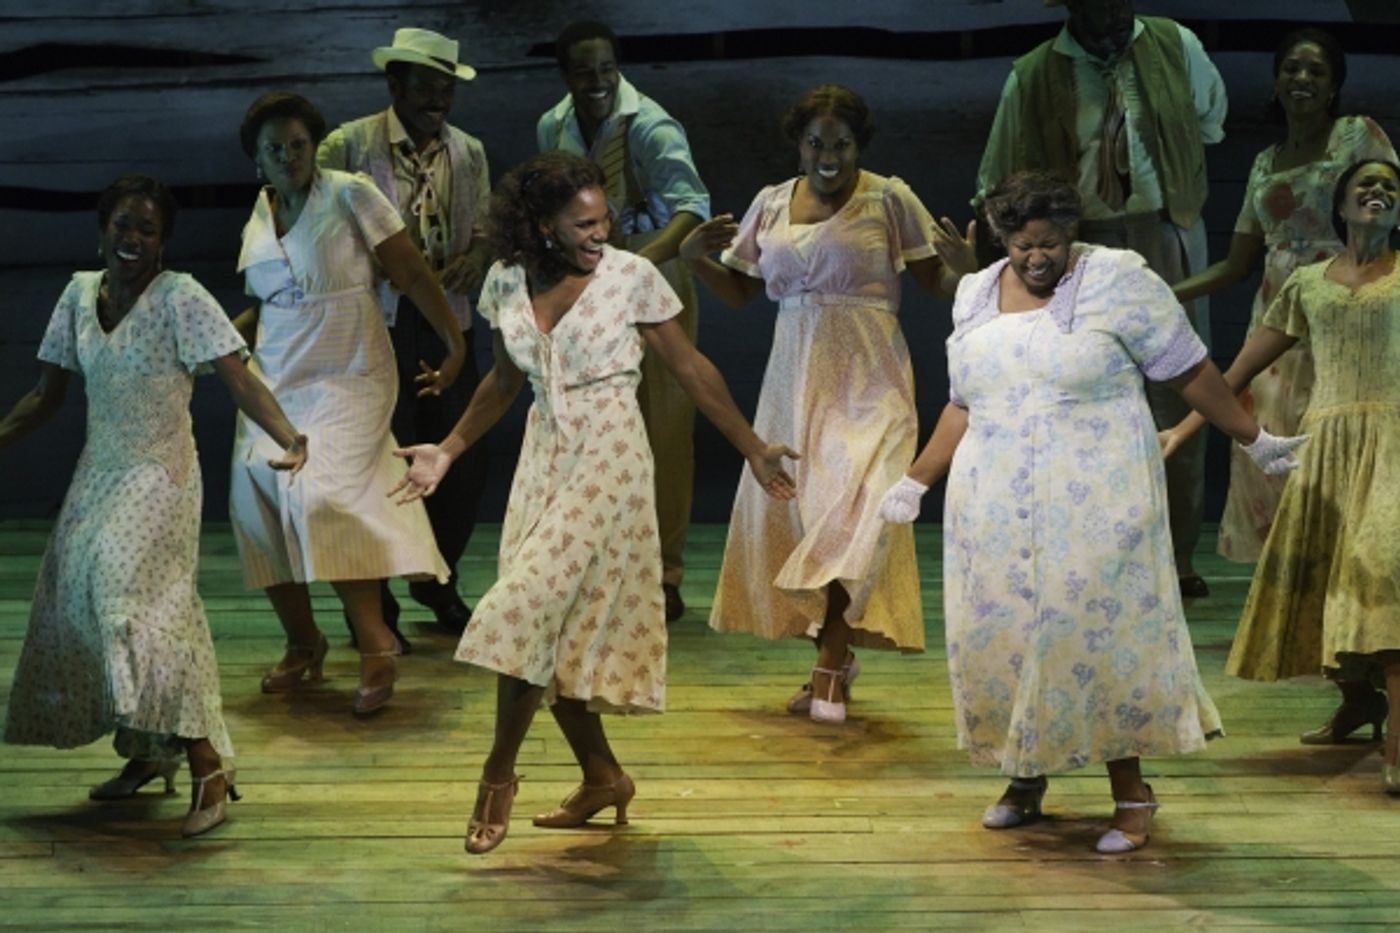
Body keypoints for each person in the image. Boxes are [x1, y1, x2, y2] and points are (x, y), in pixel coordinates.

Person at [879, 171, 1303, 853]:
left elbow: (1190, 370)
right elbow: (963, 403)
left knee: (1093, 637)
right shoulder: (975, 293)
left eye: (1049, 243)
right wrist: (916, 479)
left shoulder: (1118, 279)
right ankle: (1024, 776)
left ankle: (1131, 792)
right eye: (1021, 245)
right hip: (993, 503)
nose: (1036, 257)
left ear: (1070, 231)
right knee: (1004, 632)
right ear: (1001, 238)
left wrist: (1252, 439)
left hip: (1096, 497)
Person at [391, 151, 797, 854]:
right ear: (540, 225)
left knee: (524, 607)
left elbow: (691, 369)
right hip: (544, 459)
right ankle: (603, 776)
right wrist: (448, 450)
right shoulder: (506, 280)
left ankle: (497, 774)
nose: (600, 233)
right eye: (583, 224)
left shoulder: (630, 277)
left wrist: (754, 448)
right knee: (560, 630)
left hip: (609, 458)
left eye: (604, 220)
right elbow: (503, 381)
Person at [0, 175, 307, 837]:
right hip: (99, 475)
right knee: (80, 604)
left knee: (135, 612)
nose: (133, 239)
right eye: (123, 225)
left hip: (161, 476)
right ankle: (147, 750)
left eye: (148, 229)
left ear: (163, 241)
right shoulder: (78, 295)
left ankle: (207, 764)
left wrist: (291, 437)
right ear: (101, 229)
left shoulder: (180, 297)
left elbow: (238, 378)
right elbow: (45, 396)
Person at [679, 84, 974, 723]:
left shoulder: (889, 199)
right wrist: (693, 259)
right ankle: (832, 653)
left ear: (858, 146)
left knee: (855, 515)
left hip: (870, 375)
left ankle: (829, 667)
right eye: (816, 144)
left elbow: (938, 283)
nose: (828, 157)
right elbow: (739, 292)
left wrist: (968, 268)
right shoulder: (771, 203)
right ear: (799, 144)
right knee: (804, 516)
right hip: (795, 376)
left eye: (841, 145)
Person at [1162, 158, 1400, 793]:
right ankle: (1360, 701)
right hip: (1328, 445)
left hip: (1394, 443)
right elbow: (1235, 371)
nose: (1378, 192)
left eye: (1390, 186)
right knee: (1322, 577)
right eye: (1366, 185)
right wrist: (1183, 430)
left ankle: (1399, 741)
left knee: (1386, 576)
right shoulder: (1307, 284)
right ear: (1341, 206)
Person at [975, 0, 1228, 597]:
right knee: (1082, 399)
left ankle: (1176, 558)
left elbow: (1211, 122)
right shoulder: (1033, 74)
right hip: (1078, 245)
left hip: (1167, 230)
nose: (1113, 12)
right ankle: (1092, 557)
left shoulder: (1176, 46)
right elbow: (996, 177)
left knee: (1181, 392)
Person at [230, 92, 465, 716]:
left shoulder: (350, 194)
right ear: (258, 159)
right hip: (276, 372)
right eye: (275, 149)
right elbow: (271, 300)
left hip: (349, 367)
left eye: (298, 145)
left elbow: (411, 273)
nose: (288, 157)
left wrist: (454, 342)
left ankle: (375, 641)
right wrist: (220, 343)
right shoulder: (259, 215)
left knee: (323, 493)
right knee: (254, 491)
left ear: (315, 146)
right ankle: (303, 642)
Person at [1174, 29, 1396, 562]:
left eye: (1317, 71)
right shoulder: (1264, 163)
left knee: (1341, 438)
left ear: (1334, 86)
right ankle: (1287, 578)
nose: (1302, 79)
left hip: (1345, 308)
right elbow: (1236, 265)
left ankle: (1347, 577)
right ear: (1276, 81)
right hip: (1278, 322)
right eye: (1292, 68)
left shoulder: (1356, 136)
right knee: (1271, 442)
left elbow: (1388, 205)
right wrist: (1163, 292)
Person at [318, 28, 493, 645]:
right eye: (425, 86)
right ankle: (375, 598)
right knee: (377, 455)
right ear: (395, 85)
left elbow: (485, 225)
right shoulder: (349, 144)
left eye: (446, 88)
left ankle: (436, 578)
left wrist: (478, 256)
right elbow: (319, 227)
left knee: (457, 456)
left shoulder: (468, 151)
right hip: (376, 320)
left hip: (446, 317)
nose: (437, 99)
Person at [539, 20, 711, 622]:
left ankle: (664, 572)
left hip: (651, 267)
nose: (598, 81)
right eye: (584, 71)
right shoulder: (554, 125)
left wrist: (636, 264)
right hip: (586, 276)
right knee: (595, 425)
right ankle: (604, 562)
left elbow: (693, 207)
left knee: (664, 426)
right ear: (566, 74)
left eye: (607, 69)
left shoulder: (650, 126)